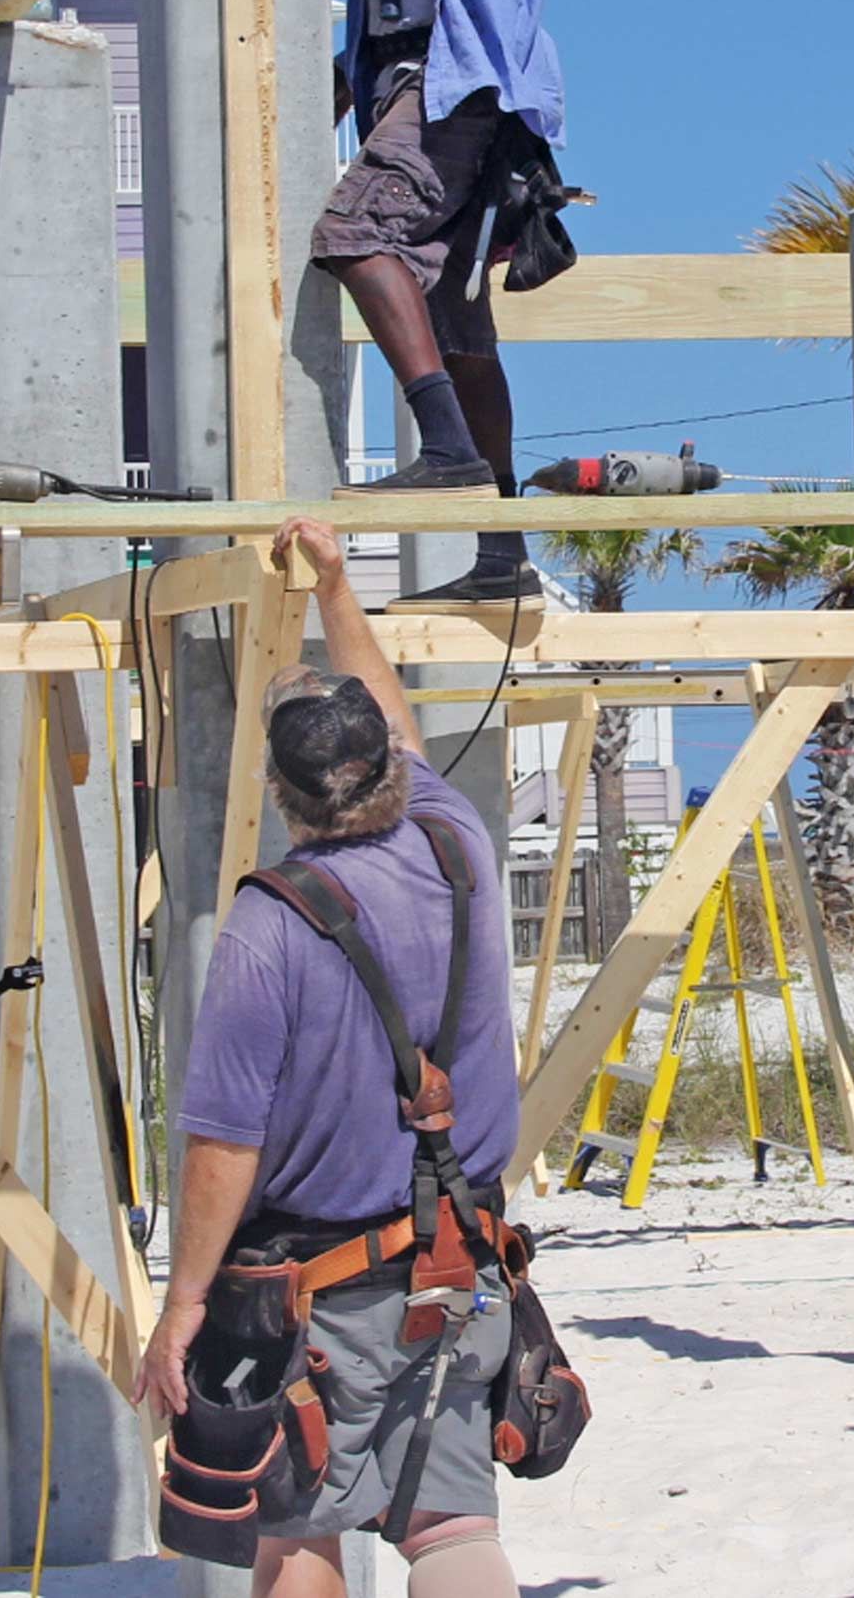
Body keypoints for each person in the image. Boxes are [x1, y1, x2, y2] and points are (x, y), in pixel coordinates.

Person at [135, 515, 523, 1598]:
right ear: (386, 776)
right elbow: (396, 724)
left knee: (297, 1534)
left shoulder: (269, 929)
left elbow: (224, 1147)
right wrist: (338, 591)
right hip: (461, 1253)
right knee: (449, 1523)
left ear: (286, 796)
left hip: (319, 1283)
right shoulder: (457, 845)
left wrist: (183, 1307)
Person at [307, 0, 571, 611]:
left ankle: (451, 455)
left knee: (354, 231)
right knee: (456, 318)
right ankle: (501, 557)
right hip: (405, 72)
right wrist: (346, 72)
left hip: (462, 81)